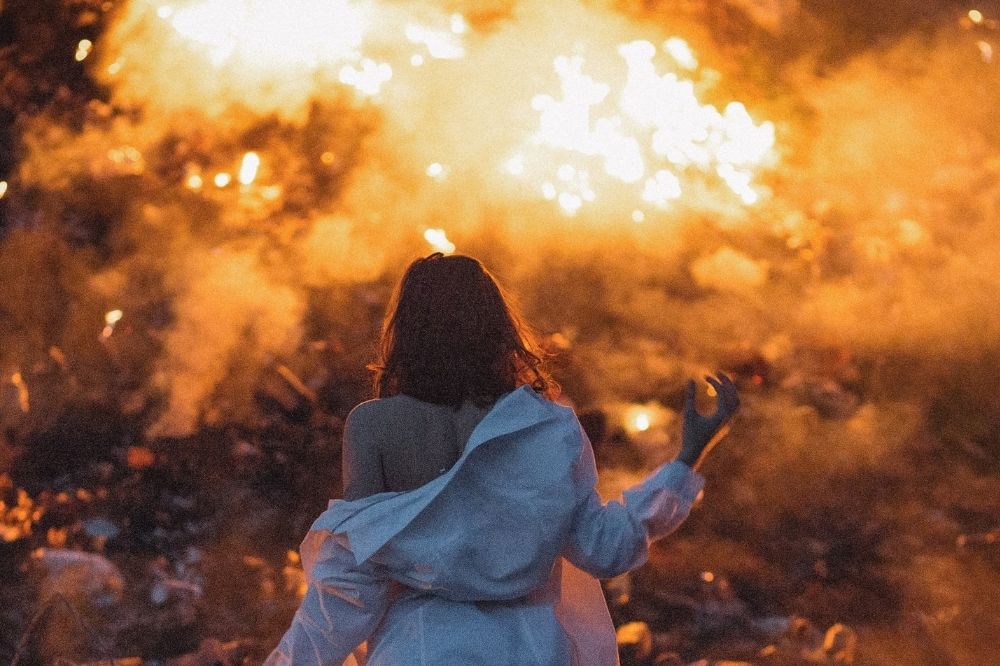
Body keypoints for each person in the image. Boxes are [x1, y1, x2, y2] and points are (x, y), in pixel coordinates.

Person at [265, 253, 739, 666]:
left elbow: (349, 586)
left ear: (407, 332)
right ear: (497, 328)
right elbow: (604, 549)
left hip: (420, 651)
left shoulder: (373, 427)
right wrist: (688, 454)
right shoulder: (546, 427)